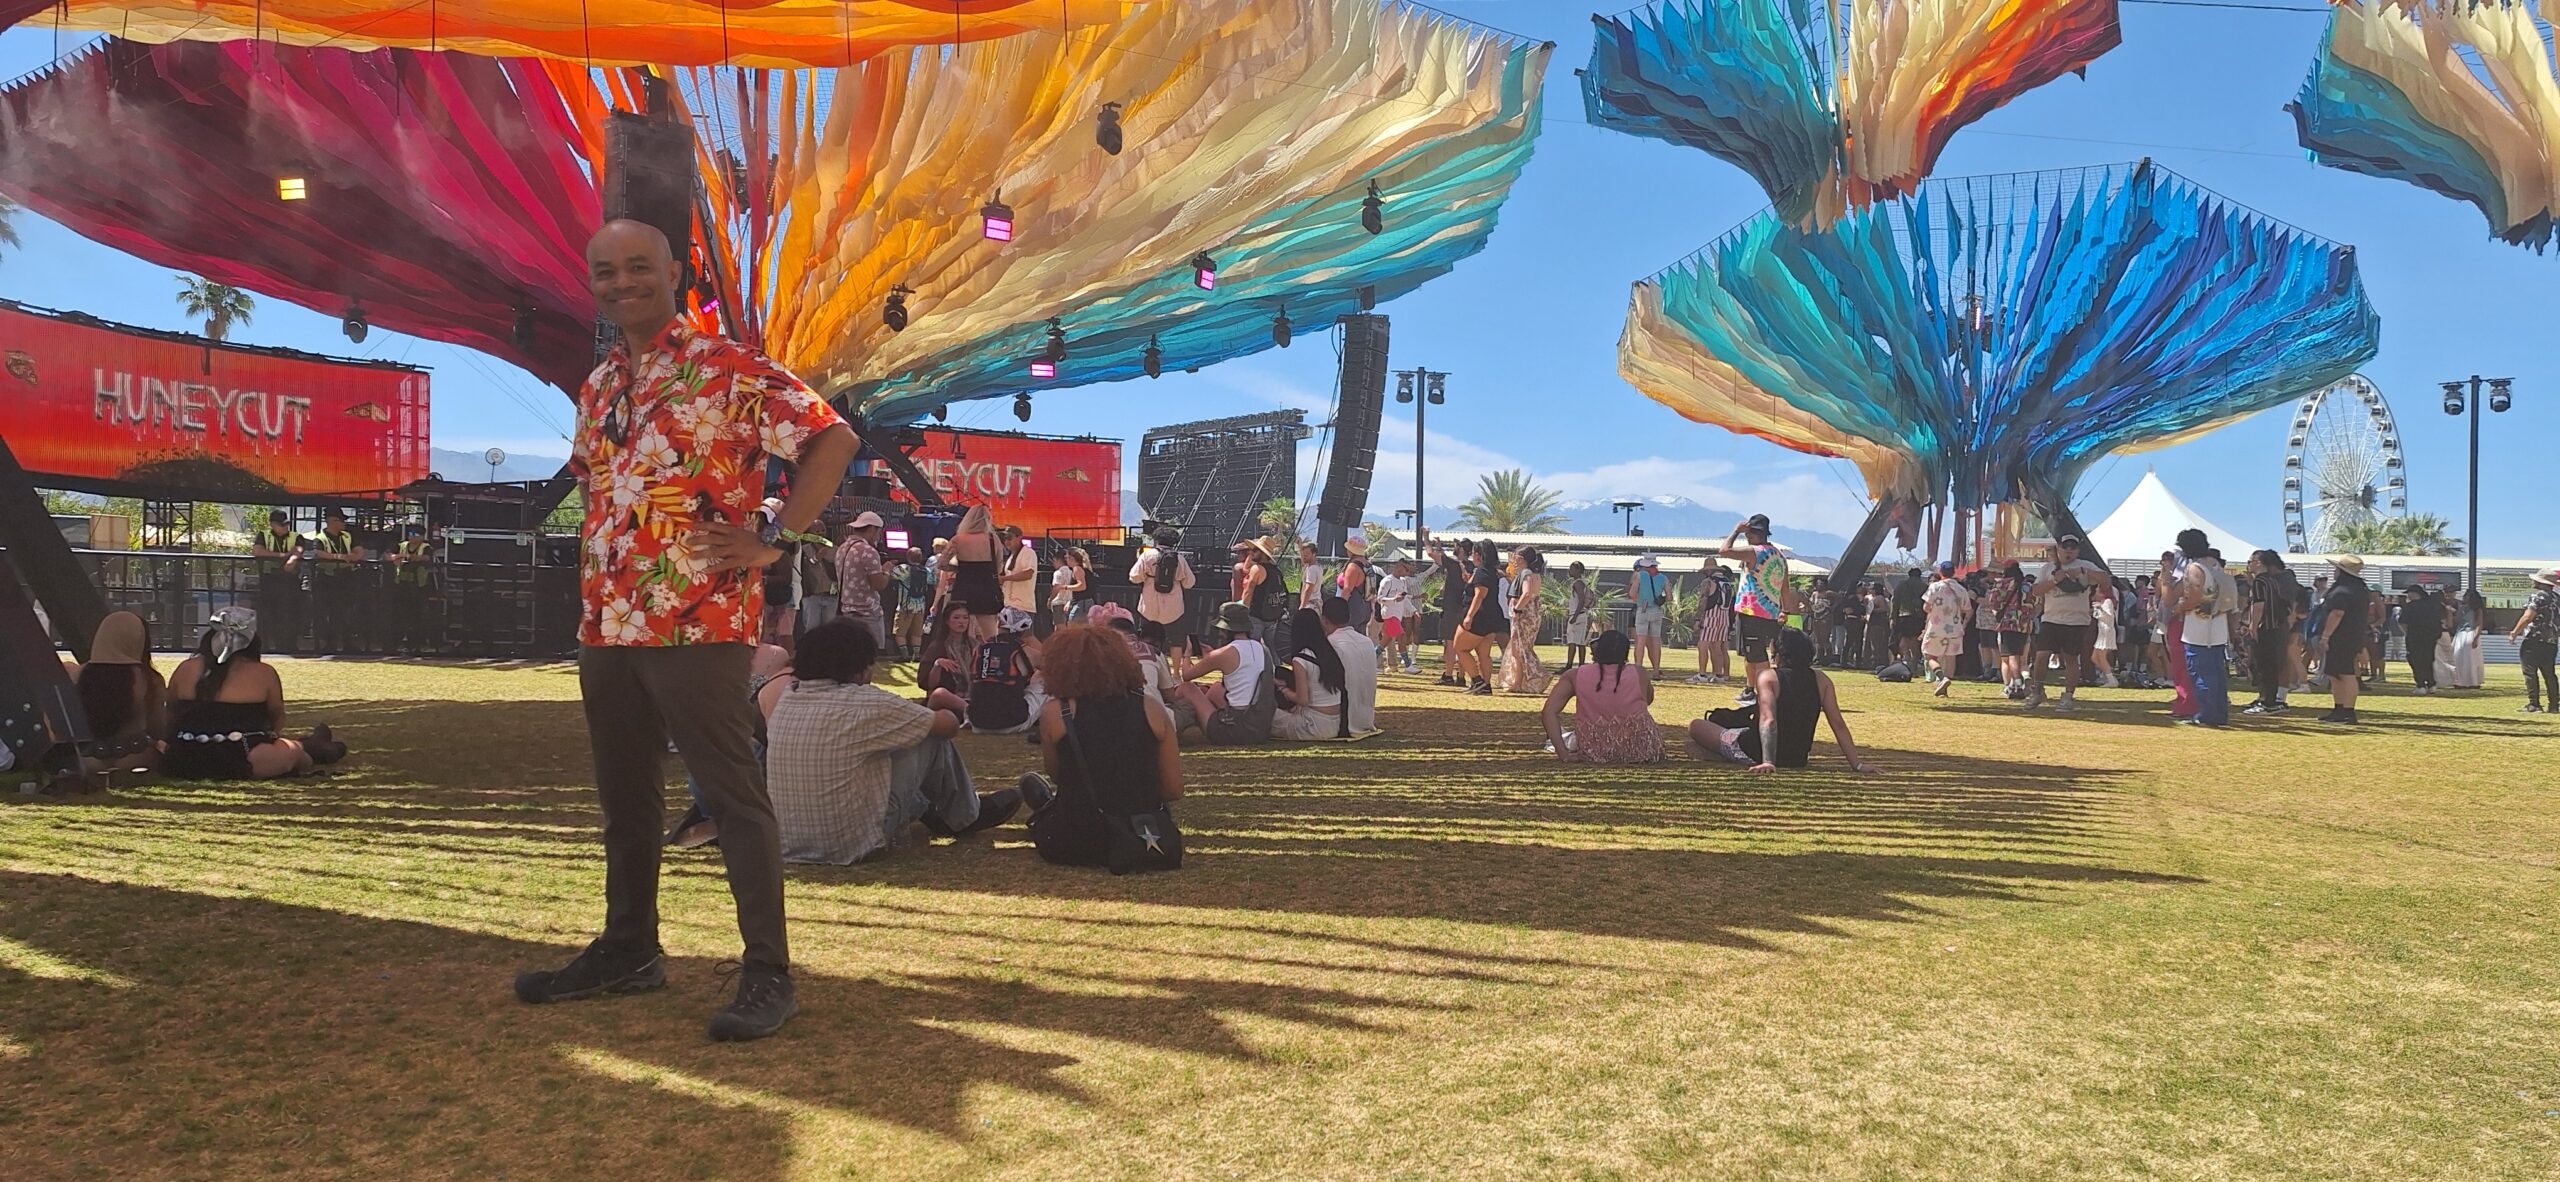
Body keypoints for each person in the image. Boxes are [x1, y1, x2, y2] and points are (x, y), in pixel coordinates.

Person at [513, 219, 859, 1043]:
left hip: (699, 618)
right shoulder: (601, 383)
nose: (622, 282)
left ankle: (768, 973)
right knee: (625, 801)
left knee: (733, 798)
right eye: (606, 271)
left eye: (639, 267)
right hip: (608, 620)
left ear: (676, 270)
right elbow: (601, 486)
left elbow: (832, 436)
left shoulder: (727, 367)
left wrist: (775, 535)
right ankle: (629, 948)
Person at [765, 620, 1021, 866]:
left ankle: (934, 810)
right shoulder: (865, 703)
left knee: (892, 742)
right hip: (850, 844)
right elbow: (947, 725)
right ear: (859, 666)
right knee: (928, 734)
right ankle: (965, 815)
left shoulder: (788, 698)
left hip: (788, 841)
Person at [1019, 623, 1186, 869]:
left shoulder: (1057, 712)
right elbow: (1174, 789)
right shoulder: (1151, 708)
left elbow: (1059, 775)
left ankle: (1044, 805)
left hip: (1077, 840)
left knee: (1045, 799)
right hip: (1142, 834)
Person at [162, 607, 344, 779]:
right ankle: (314, 748)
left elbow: (170, 712)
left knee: (286, 748)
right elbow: (276, 718)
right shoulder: (263, 673)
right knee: (294, 751)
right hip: (246, 758)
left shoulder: (185, 668)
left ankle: (313, 745)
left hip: (185, 757)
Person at [1689, 628, 1876, 773]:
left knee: (1697, 726)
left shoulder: (1768, 677)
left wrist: (1768, 761)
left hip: (1754, 750)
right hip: (1797, 758)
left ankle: (1726, 754)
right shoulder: (1822, 680)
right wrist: (1857, 764)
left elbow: (1769, 720)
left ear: (1779, 653)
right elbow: (1838, 724)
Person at [1541, 629, 1662, 764]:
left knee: (1566, 737)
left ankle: (1558, 742)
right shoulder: (1640, 673)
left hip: (1594, 747)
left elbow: (1549, 712)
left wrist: (1564, 754)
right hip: (1641, 748)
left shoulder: (1575, 675)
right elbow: (1648, 700)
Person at [2022, 536, 2110, 713]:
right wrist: (2055, 580)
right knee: (2041, 656)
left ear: (2077, 550)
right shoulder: (2048, 568)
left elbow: (2106, 580)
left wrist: (2083, 571)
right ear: (2059, 549)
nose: (2069, 550)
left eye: (2073, 547)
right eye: (2065, 547)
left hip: (2077, 621)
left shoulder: (2085, 565)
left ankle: (2068, 696)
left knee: (2071, 658)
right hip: (2051, 619)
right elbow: (2036, 590)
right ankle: (2037, 690)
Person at [1169, 602, 1276, 745]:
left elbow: (1187, 676)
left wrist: (1187, 654)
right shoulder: (1263, 649)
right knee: (1216, 689)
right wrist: (1212, 656)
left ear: (1225, 630)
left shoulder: (1224, 653)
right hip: (1260, 726)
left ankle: (1175, 718)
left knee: (1187, 688)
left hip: (1232, 730)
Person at [75, 611, 165, 775]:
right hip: (137, 757)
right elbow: (157, 726)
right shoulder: (149, 679)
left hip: (88, 757)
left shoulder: (79, 674)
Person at [2166, 531, 2237, 728]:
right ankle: (2219, 713)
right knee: (2216, 672)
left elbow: (2195, 596)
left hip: (2199, 626)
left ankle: (2206, 714)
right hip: (2218, 623)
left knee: (2200, 671)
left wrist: (2180, 607)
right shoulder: (2215, 564)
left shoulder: (2195, 567)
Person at [1720, 514, 1791, 706]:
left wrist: (1736, 530)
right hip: (1771, 612)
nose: (1748, 536)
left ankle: (1766, 692)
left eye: (1750, 533)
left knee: (1758, 656)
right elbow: (1785, 588)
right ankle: (1750, 689)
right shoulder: (1779, 556)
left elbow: (1724, 551)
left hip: (1752, 611)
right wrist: (1787, 611)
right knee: (1752, 654)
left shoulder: (1754, 552)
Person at [1270, 607, 1348, 740]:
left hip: (1312, 725)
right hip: (1335, 724)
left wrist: (1284, 690)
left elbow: (1302, 700)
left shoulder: (1300, 659)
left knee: (1267, 715)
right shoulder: (1329, 653)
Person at [967, 608, 1043, 735]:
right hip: (1013, 721)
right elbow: (1056, 670)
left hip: (976, 722)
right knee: (1045, 677)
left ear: (999, 624)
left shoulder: (978, 649)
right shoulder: (1028, 653)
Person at [2317, 556, 2374, 724]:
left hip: (2342, 637)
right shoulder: (2360, 590)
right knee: (2335, 674)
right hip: (2352, 636)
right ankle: (2339, 709)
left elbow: (2337, 613)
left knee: (2345, 674)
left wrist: (2325, 636)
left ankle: (2348, 711)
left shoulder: (2342, 591)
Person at [1450, 541, 1505, 695]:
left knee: (1460, 648)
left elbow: (1479, 596)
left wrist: (1468, 617)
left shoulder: (1481, 572)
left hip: (1479, 617)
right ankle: (1486, 686)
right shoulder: (1492, 572)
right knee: (1483, 654)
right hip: (1492, 617)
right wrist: (1469, 580)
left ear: (1478, 555)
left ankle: (1477, 680)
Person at [942, 505, 1004, 643]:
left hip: (963, 587)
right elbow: (999, 567)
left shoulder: (958, 539)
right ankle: (990, 660)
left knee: (957, 631)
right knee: (991, 634)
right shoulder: (993, 540)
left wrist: (959, 569)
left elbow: (941, 563)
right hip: (987, 589)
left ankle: (959, 659)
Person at [1130, 528, 1196, 656]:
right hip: (1174, 609)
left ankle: (1146, 665)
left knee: (1145, 637)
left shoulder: (1147, 555)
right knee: (1176, 641)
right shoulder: (1180, 559)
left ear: (1156, 540)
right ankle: (1176, 673)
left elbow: (1134, 577)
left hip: (1148, 606)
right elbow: (1190, 583)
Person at [309, 508, 366, 654]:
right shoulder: (320, 538)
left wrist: (352, 557)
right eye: (341, 520)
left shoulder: (347, 536)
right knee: (328, 613)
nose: (344, 523)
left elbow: (359, 552)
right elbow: (318, 552)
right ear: (331, 521)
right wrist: (339, 557)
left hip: (346, 579)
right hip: (326, 580)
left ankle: (348, 644)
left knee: (346, 613)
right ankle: (330, 644)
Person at [251, 509, 307, 656]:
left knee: (289, 613)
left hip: (289, 581)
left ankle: (288, 645)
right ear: (272, 525)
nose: (285, 527)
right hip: (268, 580)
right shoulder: (263, 535)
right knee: (267, 614)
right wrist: (282, 555)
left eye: (286, 524)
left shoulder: (296, 536)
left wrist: (292, 559)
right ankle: (265, 646)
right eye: (281, 525)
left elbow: (299, 548)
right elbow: (258, 551)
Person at [832, 511, 891, 647]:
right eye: (878, 531)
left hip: (846, 611)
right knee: (870, 657)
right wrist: (886, 571)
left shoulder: (842, 548)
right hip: (867, 613)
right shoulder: (868, 551)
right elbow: (878, 585)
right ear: (871, 529)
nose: (878, 536)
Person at [1321, 597, 1379, 733]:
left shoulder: (1331, 643)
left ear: (1324, 620)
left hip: (1344, 720)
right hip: (1366, 718)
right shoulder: (1367, 642)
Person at [2510, 566, 2560, 713]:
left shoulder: (2538, 596)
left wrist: (2514, 632)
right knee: (2549, 673)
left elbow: (2528, 616)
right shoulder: (2557, 599)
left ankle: (2534, 704)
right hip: (2551, 640)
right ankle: (2554, 705)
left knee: (2530, 671)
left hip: (2534, 638)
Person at [1920, 560, 1974, 696]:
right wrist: (1964, 624)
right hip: (1955, 627)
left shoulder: (1934, 587)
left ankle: (1940, 677)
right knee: (1951, 657)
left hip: (1936, 627)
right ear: (1954, 572)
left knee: (1929, 655)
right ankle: (1945, 684)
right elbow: (1968, 609)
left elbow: (1926, 607)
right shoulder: (1961, 589)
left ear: (1940, 572)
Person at [1500, 546, 1549, 695]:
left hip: (1523, 616)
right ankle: (1519, 681)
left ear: (1522, 559)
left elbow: (1527, 593)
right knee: (1520, 648)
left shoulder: (1527, 574)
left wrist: (1517, 608)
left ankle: (1537, 676)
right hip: (1529, 614)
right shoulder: (1530, 574)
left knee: (1520, 648)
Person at [1429, 538, 1473, 685]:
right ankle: (1461, 676)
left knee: (1450, 644)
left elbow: (1431, 553)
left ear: (1460, 549)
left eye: (1456, 545)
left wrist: (1425, 537)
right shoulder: (1472, 567)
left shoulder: (1454, 565)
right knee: (1464, 645)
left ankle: (1448, 674)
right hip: (1466, 609)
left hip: (1451, 609)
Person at [387, 525, 438, 653]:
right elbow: (387, 554)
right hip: (401, 585)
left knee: (416, 616)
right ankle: (396, 643)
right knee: (399, 615)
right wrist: (393, 558)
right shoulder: (401, 545)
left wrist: (407, 556)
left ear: (422, 536)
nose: (412, 536)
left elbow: (426, 557)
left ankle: (415, 644)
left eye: (416, 534)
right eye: (410, 533)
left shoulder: (426, 547)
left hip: (419, 586)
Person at [916, 601, 979, 700]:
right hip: (947, 697)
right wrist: (938, 664)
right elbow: (927, 684)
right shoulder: (938, 646)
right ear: (947, 621)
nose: (961, 621)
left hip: (973, 695)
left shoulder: (975, 645)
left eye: (965, 618)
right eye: (956, 618)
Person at [1378, 557, 1425, 674]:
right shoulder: (1387, 581)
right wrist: (1394, 599)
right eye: (1407, 570)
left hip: (1397, 615)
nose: (1408, 573)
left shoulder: (1403, 581)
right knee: (1402, 637)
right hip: (1389, 614)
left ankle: (1367, 661)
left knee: (1384, 642)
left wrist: (1414, 611)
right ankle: (1408, 665)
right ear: (1399, 567)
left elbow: (1405, 599)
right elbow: (1380, 599)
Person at [2398, 583, 2446, 696]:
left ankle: (2420, 684)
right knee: (2428, 660)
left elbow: (2402, 623)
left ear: (2414, 594)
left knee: (2415, 660)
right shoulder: (2432, 605)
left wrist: (2407, 634)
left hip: (2414, 637)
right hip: (2430, 638)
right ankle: (2431, 684)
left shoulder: (2410, 607)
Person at [1629, 553, 1671, 679]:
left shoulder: (1640, 576)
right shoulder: (1663, 578)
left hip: (1643, 609)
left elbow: (1632, 593)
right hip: (1657, 610)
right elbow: (1669, 597)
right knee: (1655, 641)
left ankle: (1638, 668)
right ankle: (1656, 670)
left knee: (1640, 641)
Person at [1690, 564, 1731, 685]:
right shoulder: (1727, 583)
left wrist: (1698, 620)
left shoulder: (1708, 582)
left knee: (1702, 645)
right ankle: (1718, 674)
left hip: (1711, 616)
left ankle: (1702, 674)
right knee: (1716, 647)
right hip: (1724, 616)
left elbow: (1703, 601)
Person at [794, 528, 838, 638]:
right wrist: (816, 558)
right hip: (812, 596)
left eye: (822, 529)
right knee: (811, 629)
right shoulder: (803, 550)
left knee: (831, 630)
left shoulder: (834, 549)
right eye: (817, 530)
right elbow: (803, 567)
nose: (820, 532)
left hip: (831, 595)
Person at [1557, 561, 1597, 670]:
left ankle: (1569, 665)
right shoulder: (1583, 583)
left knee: (1572, 642)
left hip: (1577, 615)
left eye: (1572, 569)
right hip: (1582, 614)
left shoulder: (1577, 583)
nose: (1570, 571)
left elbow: (1581, 599)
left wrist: (1574, 616)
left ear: (1578, 570)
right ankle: (1581, 665)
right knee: (1580, 642)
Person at [892, 547, 930, 658]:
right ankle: (916, 655)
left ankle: (904, 655)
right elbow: (933, 580)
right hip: (921, 606)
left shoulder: (903, 569)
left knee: (900, 632)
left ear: (908, 557)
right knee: (917, 633)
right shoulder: (926, 571)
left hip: (905, 606)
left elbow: (890, 575)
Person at [999, 524, 1041, 621]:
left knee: (1024, 635)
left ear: (1019, 537)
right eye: (1004, 539)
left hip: (1022, 606)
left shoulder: (1028, 552)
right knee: (1021, 635)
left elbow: (1028, 574)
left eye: (1009, 538)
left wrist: (1004, 578)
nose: (1006, 541)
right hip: (1010, 605)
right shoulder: (1011, 557)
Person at [1050, 546, 1092, 622]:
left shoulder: (1077, 568)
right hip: (1084, 602)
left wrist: (1064, 587)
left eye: (1067, 557)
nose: (1066, 560)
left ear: (1071, 558)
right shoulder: (1083, 568)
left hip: (1082, 603)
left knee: (1073, 626)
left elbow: (1082, 586)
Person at [1862, 580, 1894, 673]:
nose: (1870, 590)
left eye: (1872, 588)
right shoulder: (1871, 598)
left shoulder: (1880, 598)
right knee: (1873, 643)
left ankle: (1879, 662)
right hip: (1872, 623)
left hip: (1878, 624)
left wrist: (1873, 611)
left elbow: (1884, 608)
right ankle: (1875, 661)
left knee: (1878, 644)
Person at [1296, 540, 1326, 611]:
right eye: (1303, 554)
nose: (1304, 556)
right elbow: (1304, 563)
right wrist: (1300, 547)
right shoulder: (1317, 567)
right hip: (1316, 603)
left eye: (1307, 554)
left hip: (1310, 605)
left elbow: (1308, 589)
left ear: (1314, 554)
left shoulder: (1311, 569)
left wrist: (1302, 606)